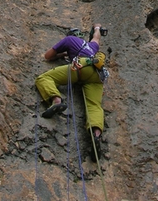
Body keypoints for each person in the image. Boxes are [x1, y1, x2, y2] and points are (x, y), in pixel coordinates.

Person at [35, 24, 106, 161]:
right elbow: (96, 38)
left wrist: (63, 53)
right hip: (97, 74)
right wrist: (97, 28)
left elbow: (48, 56)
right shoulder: (91, 46)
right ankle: (96, 134)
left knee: (44, 78)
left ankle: (56, 100)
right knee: (94, 106)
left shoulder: (68, 40)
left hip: (80, 67)